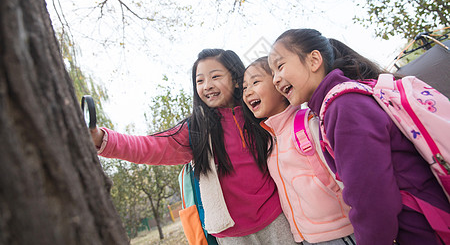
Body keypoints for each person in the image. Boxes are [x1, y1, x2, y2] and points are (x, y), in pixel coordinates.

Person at [90, 48, 297, 245]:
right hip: (231, 233)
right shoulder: (196, 129)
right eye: (200, 80)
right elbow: (151, 146)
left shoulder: (258, 113)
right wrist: (102, 138)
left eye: (215, 77)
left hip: (275, 218)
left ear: (235, 80)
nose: (207, 85)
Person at [268, 28, 450, 245]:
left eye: (280, 66)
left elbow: (372, 202)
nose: (275, 80)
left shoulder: (344, 106)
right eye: (272, 73)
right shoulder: (341, 101)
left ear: (314, 60)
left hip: (425, 230)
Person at [242, 56, 355, 244]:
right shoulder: (270, 140)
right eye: (245, 87)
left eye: (255, 82)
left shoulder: (307, 122)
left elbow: (346, 177)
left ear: (279, 83)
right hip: (306, 238)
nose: (247, 92)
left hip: (341, 232)